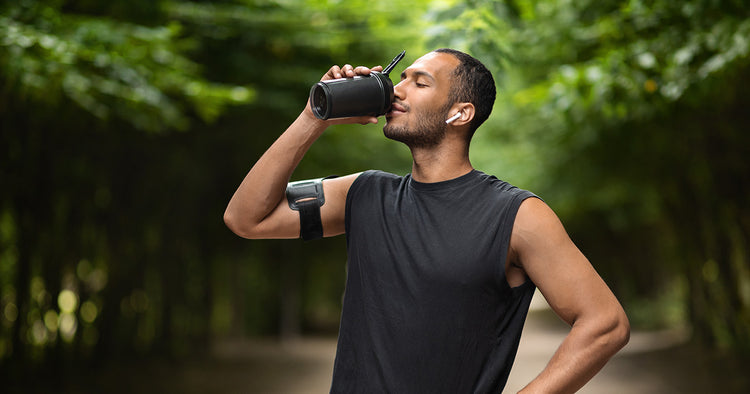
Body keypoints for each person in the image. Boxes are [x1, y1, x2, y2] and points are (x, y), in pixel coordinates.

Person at [224, 48, 630, 393]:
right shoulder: (363, 194)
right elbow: (246, 218)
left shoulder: (516, 215)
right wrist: (316, 116)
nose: (396, 90)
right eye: (399, 78)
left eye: (419, 83)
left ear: (460, 113)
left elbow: (605, 324)